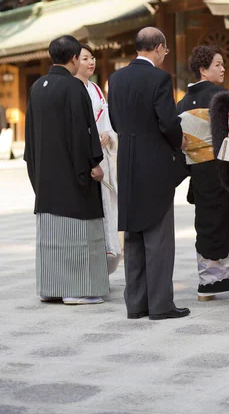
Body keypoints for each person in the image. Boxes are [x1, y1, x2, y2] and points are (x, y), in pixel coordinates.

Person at [108, 27, 190, 320]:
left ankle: (136, 304)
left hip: (127, 161)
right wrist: (178, 142)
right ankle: (160, 305)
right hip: (154, 162)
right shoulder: (159, 78)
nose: (164, 56)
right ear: (158, 48)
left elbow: (115, 121)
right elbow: (168, 122)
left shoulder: (115, 78)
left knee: (133, 237)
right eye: (165, 51)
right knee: (158, 237)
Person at [24, 35, 109, 305]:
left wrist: (34, 171)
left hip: (46, 176)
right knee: (78, 234)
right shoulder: (74, 88)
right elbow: (82, 131)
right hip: (73, 176)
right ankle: (78, 290)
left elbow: (30, 135)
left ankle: (51, 287)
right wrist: (94, 163)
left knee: (51, 235)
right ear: (74, 58)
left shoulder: (38, 86)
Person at [177, 45, 229, 301]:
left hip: (198, 171)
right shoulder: (223, 97)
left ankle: (208, 284)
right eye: (218, 64)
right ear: (202, 69)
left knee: (206, 223)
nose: (223, 68)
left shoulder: (182, 102)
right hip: (224, 170)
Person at [75, 44, 121, 274]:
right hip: (85, 158)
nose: (91, 62)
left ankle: (106, 259)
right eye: (85, 58)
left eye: (92, 57)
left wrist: (107, 135)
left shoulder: (96, 89)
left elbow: (108, 124)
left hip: (103, 155)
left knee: (108, 207)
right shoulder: (72, 89)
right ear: (74, 61)